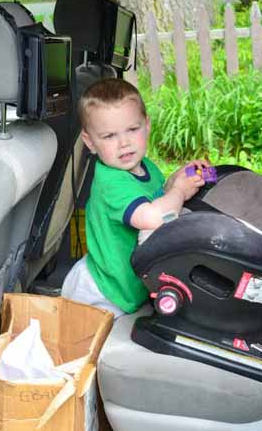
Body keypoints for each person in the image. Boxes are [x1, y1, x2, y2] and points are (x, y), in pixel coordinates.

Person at [61, 78, 209, 317]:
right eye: (109, 136)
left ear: (147, 125)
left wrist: (177, 179)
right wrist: (179, 192)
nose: (124, 143)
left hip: (127, 287)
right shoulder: (112, 182)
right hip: (101, 293)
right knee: (89, 349)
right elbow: (151, 217)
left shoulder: (144, 166)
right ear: (90, 142)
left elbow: (157, 196)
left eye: (132, 129)